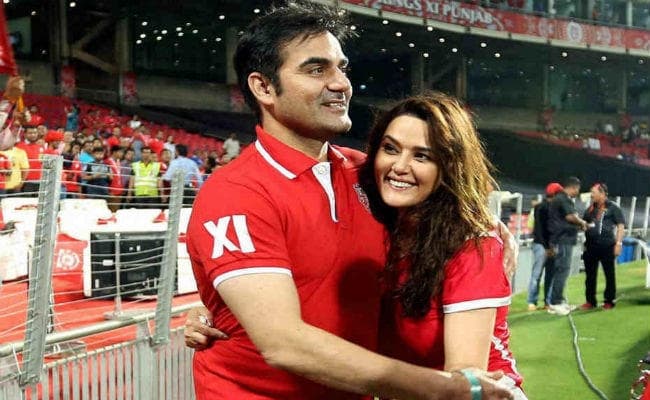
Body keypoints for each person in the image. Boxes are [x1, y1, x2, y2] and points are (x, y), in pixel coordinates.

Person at [185, 3, 514, 400]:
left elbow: (444, 208)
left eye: (342, 68)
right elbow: (283, 343)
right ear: (264, 87)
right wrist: (446, 388)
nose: (340, 83)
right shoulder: (236, 192)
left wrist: (486, 227)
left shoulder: (367, 174)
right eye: (316, 69)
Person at [580, 183, 624, 310]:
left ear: (602, 193)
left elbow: (621, 226)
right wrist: (583, 226)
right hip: (591, 246)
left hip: (607, 246)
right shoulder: (590, 209)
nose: (591, 195)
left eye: (593, 192)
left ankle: (609, 300)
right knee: (590, 275)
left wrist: (619, 243)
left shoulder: (613, 208)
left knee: (609, 274)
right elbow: (584, 223)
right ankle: (590, 301)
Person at [547, 176, 587, 315]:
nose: (578, 192)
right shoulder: (563, 199)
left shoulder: (559, 199)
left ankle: (558, 300)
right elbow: (570, 216)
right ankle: (556, 302)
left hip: (561, 239)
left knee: (561, 270)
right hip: (563, 239)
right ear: (574, 187)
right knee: (562, 270)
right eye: (578, 189)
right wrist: (582, 223)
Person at [526, 182, 562, 311]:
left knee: (550, 274)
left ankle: (547, 301)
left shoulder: (556, 209)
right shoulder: (540, 207)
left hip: (550, 245)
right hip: (541, 245)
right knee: (537, 274)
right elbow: (539, 230)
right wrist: (548, 247)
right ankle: (532, 301)